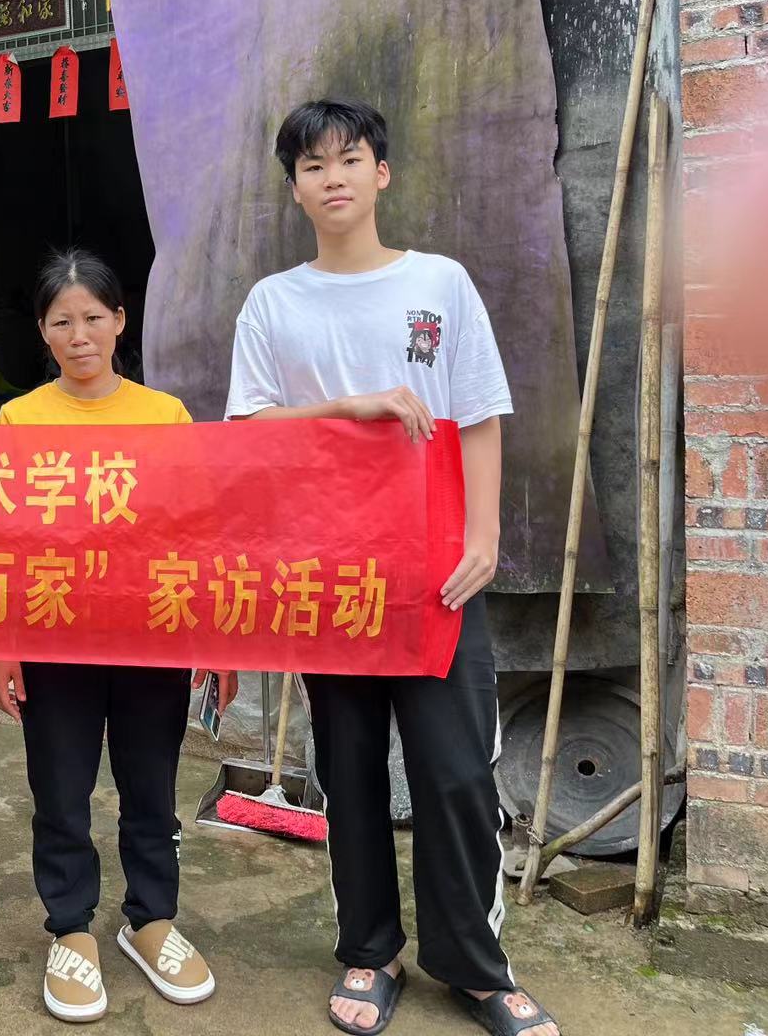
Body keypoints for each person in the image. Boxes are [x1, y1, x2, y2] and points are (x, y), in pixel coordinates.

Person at [225, 99, 559, 1036]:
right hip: (331, 578)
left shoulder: (439, 283)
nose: (331, 177)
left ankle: (474, 967)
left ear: (381, 173)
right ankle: (370, 953)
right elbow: (246, 427)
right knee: (351, 772)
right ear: (293, 190)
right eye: (311, 166)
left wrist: (482, 539)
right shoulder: (273, 302)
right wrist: (352, 407)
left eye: (349, 159)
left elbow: (478, 411)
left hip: (434, 574)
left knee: (455, 774)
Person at [0, 249, 234, 1025]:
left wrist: (213, 638)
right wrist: (3, 643)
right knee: (60, 794)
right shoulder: (18, 420)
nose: (80, 335)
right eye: (62, 321)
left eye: (93, 317)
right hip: (53, 641)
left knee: (150, 790)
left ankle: (149, 920)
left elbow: (195, 534)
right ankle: (69, 928)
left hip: (150, 637)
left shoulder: (164, 415)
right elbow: (1, 543)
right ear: (43, 332)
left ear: (120, 321)